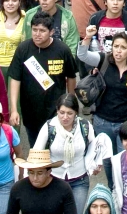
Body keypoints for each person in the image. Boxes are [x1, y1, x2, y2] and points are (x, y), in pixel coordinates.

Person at [8, 11, 77, 146]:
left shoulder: (62, 49)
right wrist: (14, 109)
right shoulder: (23, 49)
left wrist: (71, 103)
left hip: (56, 112)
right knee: (36, 152)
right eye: (34, 30)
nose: (37, 34)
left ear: (51, 32)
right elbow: (15, 79)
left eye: (42, 31)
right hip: (31, 113)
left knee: (57, 151)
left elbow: (71, 77)